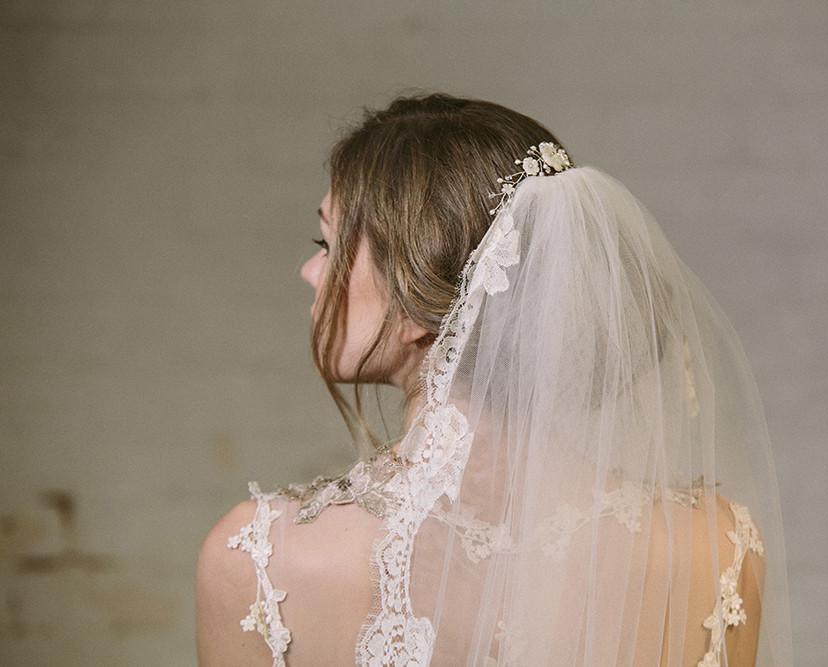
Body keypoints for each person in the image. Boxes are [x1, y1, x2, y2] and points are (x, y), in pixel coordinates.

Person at [196, 92, 793, 666]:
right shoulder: (714, 548)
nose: (308, 271)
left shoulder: (259, 560)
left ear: (415, 306)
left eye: (327, 245)